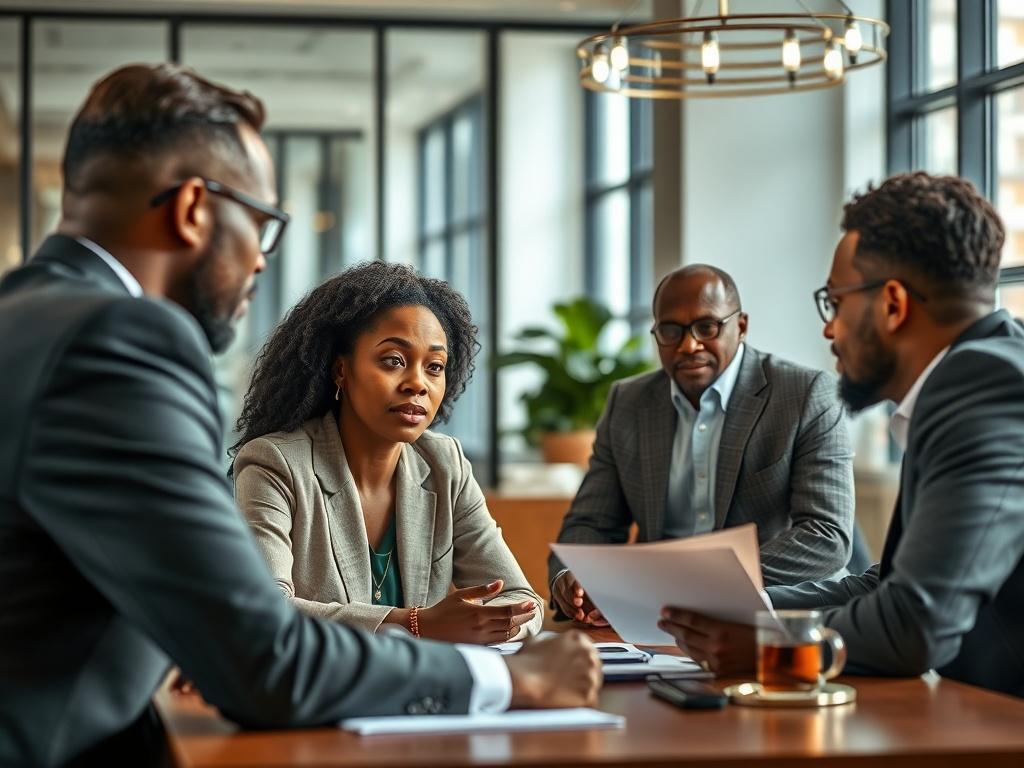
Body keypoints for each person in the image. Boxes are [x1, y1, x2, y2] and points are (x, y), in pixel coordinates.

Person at [0, 64, 600, 767]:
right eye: (263, 224)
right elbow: (263, 654)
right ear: (195, 208)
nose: (260, 260)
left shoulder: (24, 316)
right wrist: (507, 677)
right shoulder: (121, 341)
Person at [658, 173, 1024, 699]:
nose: (829, 330)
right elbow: (886, 585)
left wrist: (766, 643)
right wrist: (730, 604)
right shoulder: (979, 377)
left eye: (835, 303)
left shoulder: (982, 389)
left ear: (893, 305)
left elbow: (914, 627)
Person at [232, 262, 543, 644]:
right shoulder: (274, 463)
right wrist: (415, 623)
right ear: (341, 370)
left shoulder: (444, 464)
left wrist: (493, 621)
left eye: (434, 366)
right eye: (394, 361)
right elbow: (265, 610)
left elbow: (522, 600)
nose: (417, 383)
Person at [549, 265, 854, 624]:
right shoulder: (628, 403)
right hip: (653, 619)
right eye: (670, 330)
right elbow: (591, 523)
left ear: (740, 326)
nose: (688, 345)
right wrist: (571, 578)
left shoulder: (805, 395)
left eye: (707, 327)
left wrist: (684, 584)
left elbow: (826, 536)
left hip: (770, 618)